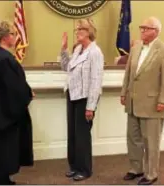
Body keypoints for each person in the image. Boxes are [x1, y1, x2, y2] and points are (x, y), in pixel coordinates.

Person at [120, 17, 164, 185]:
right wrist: (124, 92)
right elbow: (129, 73)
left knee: (151, 141)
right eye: (141, 27)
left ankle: (151, 174)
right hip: (133, 102)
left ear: (156, 31)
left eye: (146, 28)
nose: (142, 30)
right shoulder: (136, 47)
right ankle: (136, 169)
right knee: (133, 138)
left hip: (153, 104)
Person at [0, 20, 34, 185]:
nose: (15, 36)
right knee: (4, 146)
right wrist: (27, 93)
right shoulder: (3, 59)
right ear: (4, 38)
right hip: (3, 114)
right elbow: (13, 88)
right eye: (13, 33)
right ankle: (0, 179)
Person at [60, 18, 104, 181]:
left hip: (86, 98)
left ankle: (85, 169)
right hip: (72, 94)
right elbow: (66, 67)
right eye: (76, 30)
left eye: (80, 30)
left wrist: (90, 107)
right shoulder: (78, 49)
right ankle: (74, 166)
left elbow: (96, 80)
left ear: (89, 32)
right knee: (73, 133)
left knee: (82, 135)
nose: (77, 33)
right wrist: (63, 49)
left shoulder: (95, 52)